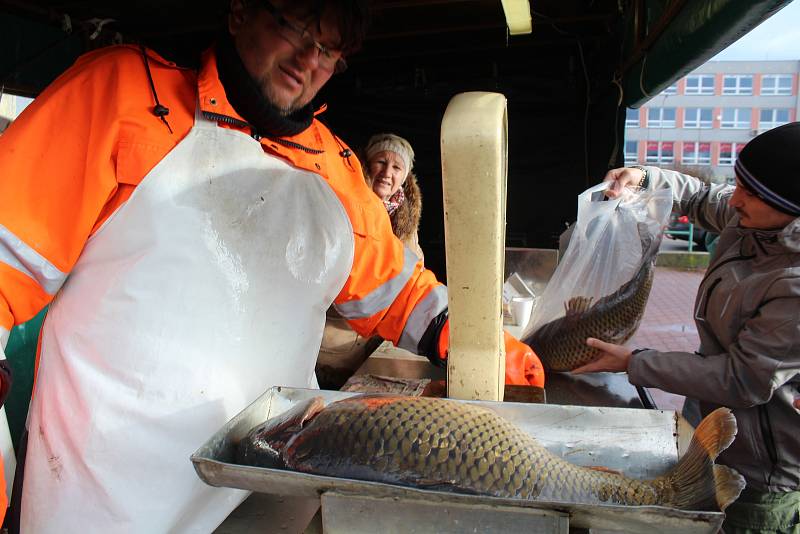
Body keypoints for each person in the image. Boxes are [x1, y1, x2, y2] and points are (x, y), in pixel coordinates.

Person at [0, 0, 544, 531]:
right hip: (106, 495)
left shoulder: (335, 166)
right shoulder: (123, 95)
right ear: (240, 12)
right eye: (296, 26)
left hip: (270, 485)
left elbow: (399, 293)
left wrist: (482, 344)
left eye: (330, 50)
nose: (310, 59)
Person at [573, 122, 800, 533]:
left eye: (753, 193)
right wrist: (643, 176)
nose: (736, 199)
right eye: (738, 184)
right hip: (713, 435)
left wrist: (636, 363)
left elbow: (743, 379)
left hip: (762, 474)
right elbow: (697, 195)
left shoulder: (793, 283)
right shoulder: (753, 219)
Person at [317, 132, 425, 389]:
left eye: (397, 167)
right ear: (366, 165)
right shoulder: (341, 205)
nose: (388, 172)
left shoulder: (406, 222)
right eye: (381, 162)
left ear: (405, 177)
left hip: (381, 344)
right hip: (335, 343)